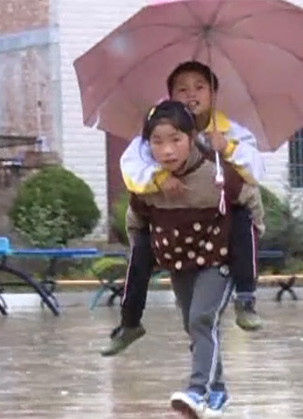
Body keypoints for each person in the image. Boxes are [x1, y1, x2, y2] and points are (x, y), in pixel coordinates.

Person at [101, 61, 265, 357]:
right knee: (141, 252)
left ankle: (246, 299)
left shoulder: (230, 131)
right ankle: (129, 322)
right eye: (182, 89)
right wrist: (159, 177)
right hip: (173, 222)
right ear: (171, 96)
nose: (191, 94)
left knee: (243, 221)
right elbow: (131, 165)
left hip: (218, 219)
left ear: (213, 94)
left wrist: (228, 148)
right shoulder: (158, 129)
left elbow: (256, 172)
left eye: (200, 87)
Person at [130, 100, 264, 417]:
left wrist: (249, 247)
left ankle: (198, 390)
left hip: (220, 259)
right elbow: (136, 221)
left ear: (191, 138)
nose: (167, 150)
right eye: (157, 142)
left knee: (202, 319)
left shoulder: (216, 173)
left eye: (175, 139)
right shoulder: (149, 182)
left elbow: (251, 202)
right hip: (181, 262)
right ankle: (217, 391)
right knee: (196, 326)